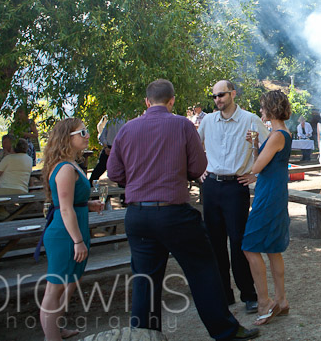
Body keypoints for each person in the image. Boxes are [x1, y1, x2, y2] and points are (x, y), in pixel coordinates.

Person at [107, 79, 259, 340]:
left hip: (137, 215)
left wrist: (137, 183)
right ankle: (225, 330)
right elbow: (198, 167)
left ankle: (145, 336)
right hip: (173, 212)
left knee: (144, 280)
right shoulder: (181, 125)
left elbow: (114, 172)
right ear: (172, 101)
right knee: (203, 270)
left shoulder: (128, 129)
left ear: (146, 102)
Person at [199, 80, 270, 314]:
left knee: (239, 242)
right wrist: (198, 170)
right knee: (215, 242)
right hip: (210, 187)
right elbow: (192, 146)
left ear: (233, 94)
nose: (217, 99)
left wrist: (256, 175)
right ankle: (223, 294)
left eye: (221, 95)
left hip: (236, 187)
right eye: (214, 96)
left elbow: (273, 146)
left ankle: (248, 295)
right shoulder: (208, 121)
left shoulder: (251, 119)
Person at [39, 118, 105, 340]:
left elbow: (68, 202)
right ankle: (52, 337)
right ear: (67, 138)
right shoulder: (65, 168)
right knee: (55, 288)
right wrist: (77, 241)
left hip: (73, 231)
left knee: (68, 284)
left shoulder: (71, 164)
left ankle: (55, 328)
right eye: (82, 132)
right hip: (65, 235)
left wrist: (89, 204)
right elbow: (64, 210)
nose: (87, 135)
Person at [239, 90, 293, 326]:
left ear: (271, 109)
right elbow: (269, 165)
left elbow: (257, 167)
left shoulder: (277, 135)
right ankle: (281, 301)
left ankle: (265, 302)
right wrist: (257, 143)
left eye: (262, 107)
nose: (260, 111)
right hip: (275, 191)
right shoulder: (280, 134)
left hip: (269, 196)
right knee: (272, 248)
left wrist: (253, 151)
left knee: (250, 246)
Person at [89, 115, 125, 183]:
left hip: (112, 147)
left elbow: (102, 137)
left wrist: (105, 147)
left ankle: (90, 182)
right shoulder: (124, 121)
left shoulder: (111, 121)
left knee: (101, 167)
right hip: (118, 147)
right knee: (102, 167)